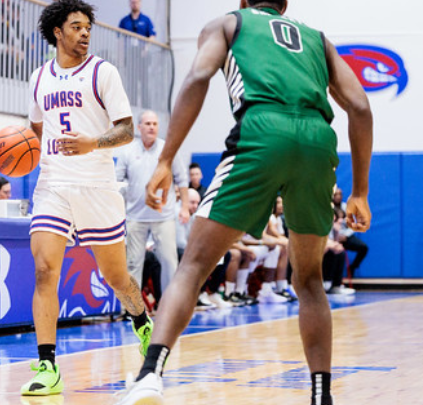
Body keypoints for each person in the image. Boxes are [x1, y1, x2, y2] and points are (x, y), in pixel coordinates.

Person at [113, 1, 373, 404]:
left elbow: (199, 75)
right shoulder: (318, 40)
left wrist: (166, 159)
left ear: (243, 2)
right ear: (284, 5)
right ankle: (322, 396)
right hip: (319, 141)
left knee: (194, 265)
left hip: (262, 131)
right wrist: (360, 193)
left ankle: (149, 375)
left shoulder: (229, 23)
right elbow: (359, 106)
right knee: (308, 280)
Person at [21, 0, 152, 396]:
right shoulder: (38, 78)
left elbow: (126, 130)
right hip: (53, 185)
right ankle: (48, 365)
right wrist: (19, 153)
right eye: (76, 26)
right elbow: (35, 132)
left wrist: (93, 142)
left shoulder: (102, 73)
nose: (84, 33)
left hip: (97, 185)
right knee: (45, 270)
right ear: (57, 32)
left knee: (116, 277)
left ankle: (142, 321)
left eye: (87, 28)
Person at [115, 110, 190, 295]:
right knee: (133, 263)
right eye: (148, 124)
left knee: (169, 262)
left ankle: (168, 304)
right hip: (135, 216)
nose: (152, 127)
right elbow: (117, 182)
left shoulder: (168, 149)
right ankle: (132, 310)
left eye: (155, 124)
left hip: (163, 216)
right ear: (139, 128)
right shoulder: (127, 152)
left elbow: (182, 180)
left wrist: (186, 208)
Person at [332, 188, 369, 280]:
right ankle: (331, 279)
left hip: (345, 237)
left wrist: (345, 236)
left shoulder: (346, 207)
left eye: (340, 194)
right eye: (336, 194)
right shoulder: (328, 208)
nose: (338, 197)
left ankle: (353, 267)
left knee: (363, 247)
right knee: (335, 253)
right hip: (332, 238)